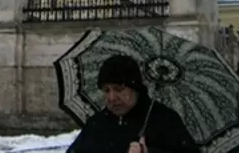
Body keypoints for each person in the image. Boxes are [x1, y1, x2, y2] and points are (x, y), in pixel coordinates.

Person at [67, 55, 200, 153]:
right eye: (106, 90)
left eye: (118, 89)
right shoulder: (96, 125)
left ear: (135, 88)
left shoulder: (164, 120)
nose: (112, 97)